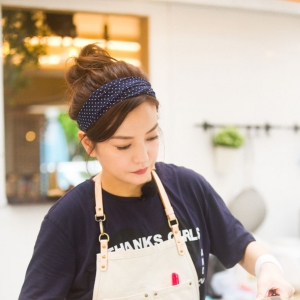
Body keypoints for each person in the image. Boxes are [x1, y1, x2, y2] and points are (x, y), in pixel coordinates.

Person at [19, 44, 295, 300]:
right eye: (123, 145)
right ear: (89, 144)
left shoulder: (188, 188)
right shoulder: (69, 219)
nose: (143, 156)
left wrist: (268, 267)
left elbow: (242, 244)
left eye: (151, 137)